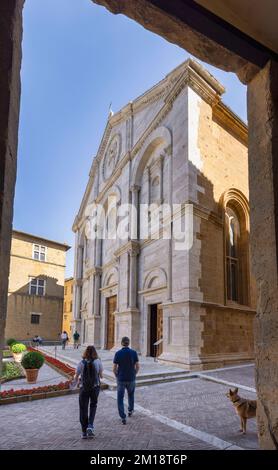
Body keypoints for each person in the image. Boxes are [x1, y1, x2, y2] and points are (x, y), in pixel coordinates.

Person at [72, 345, 103, 439]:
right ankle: (90, 425)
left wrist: (75, 381)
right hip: (95, 387)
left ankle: (84, 432)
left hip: (84, 388)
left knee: (83, 408)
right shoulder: (98, 361)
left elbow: (76, 377)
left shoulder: (81, 363)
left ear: (85, 352)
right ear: (95, 352)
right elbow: (101, 376)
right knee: (93, 406)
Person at [113, 336, 139, 425]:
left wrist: (117, 375)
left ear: (122, 343)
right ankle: (130, 410)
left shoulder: (118, 353)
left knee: (120, 398)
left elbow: (114, 368)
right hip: (131, 378)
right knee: (131, 395)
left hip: (121, 378)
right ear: (129, 343)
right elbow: (137, 366)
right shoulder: (134, 352)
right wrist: (134, 374)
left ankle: (123, 417)